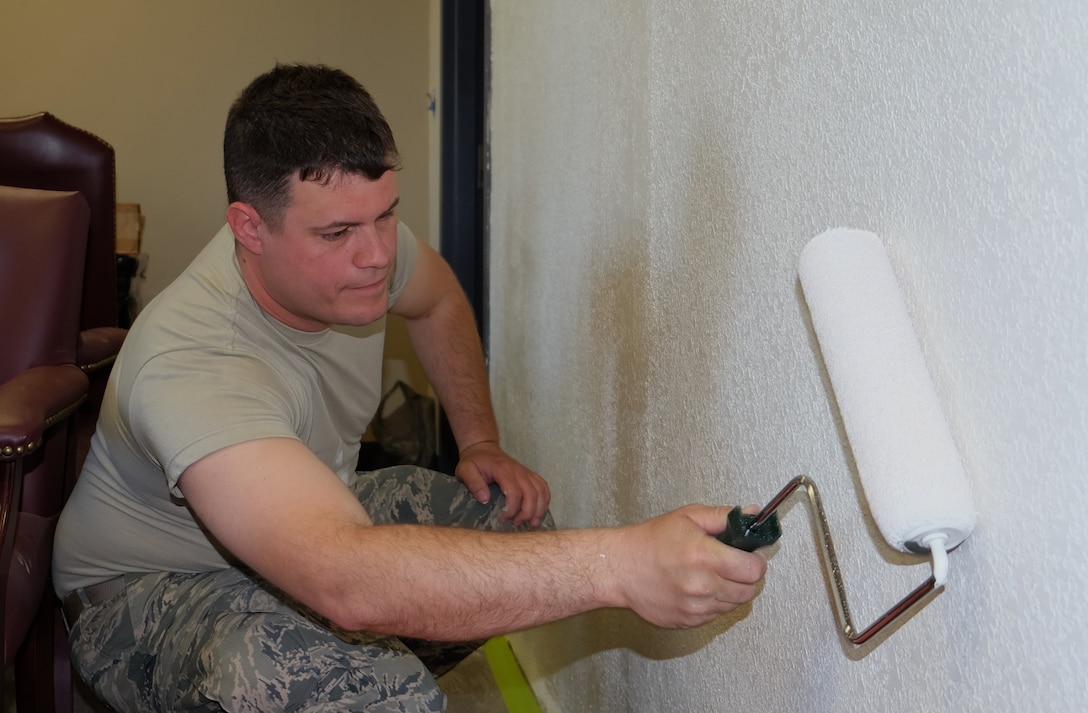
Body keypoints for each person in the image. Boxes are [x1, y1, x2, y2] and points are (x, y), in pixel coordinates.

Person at [53, 63, 768, 713]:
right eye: (338, 232)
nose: (377, 255)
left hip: (305, 521)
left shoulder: (356, 255)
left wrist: (480, 439)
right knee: (368, 688)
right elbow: (345, 579)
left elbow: (438, 299)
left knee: (508, 523)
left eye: (386, 214)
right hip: (147, 593)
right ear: (250, 228)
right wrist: (621, 566)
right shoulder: (193, 360)